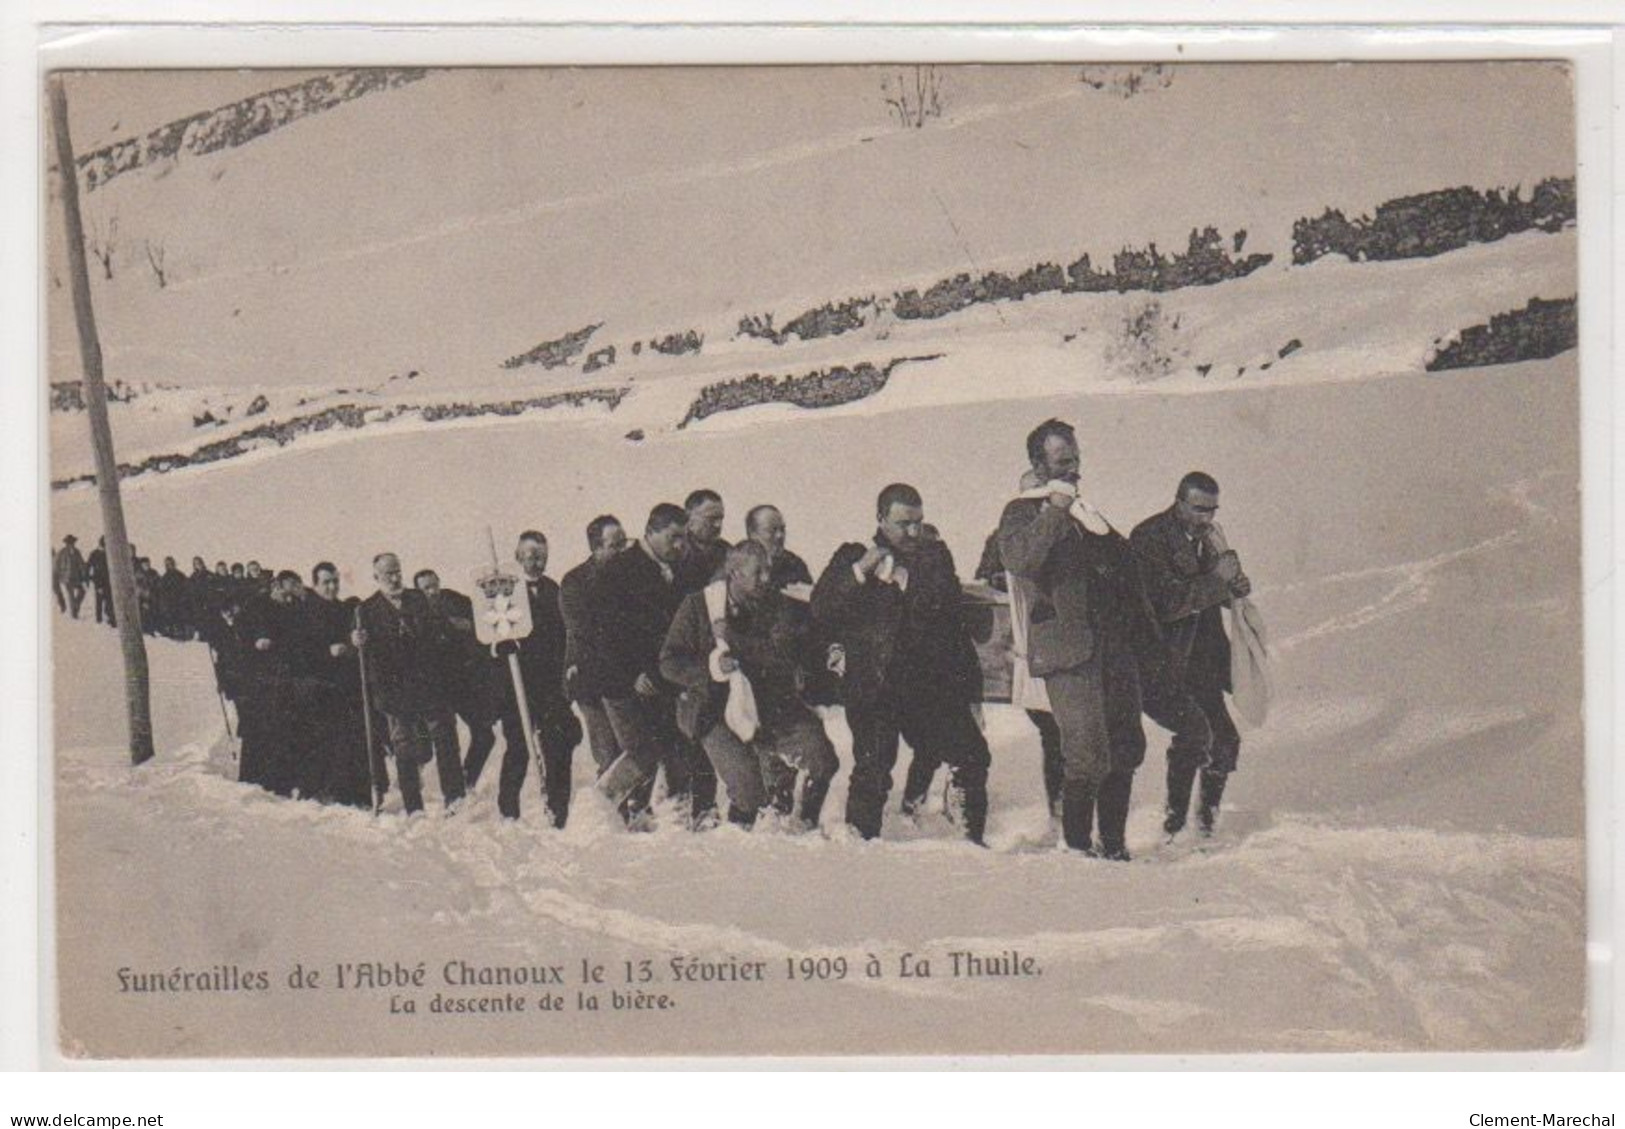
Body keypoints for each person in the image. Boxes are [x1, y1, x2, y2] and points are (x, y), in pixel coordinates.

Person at [997, 419, 1168, 860]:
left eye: (1075, 458)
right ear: (1039, 464)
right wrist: (1054, 510)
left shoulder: (1088, 512)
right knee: (1087, 756)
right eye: (1062, 461)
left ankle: (1113, 846)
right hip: (1069, 655)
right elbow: (1020, 559)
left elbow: (1125, 566)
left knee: (1126, 748)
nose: (1073, 468)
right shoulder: (1023, 511)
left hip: (1114, 649)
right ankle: (1075, 848)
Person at [811, 483, 990, 845]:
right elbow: (822, 606)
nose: (913, 532)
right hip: (875, 687)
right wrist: (860, 571)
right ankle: (861, 844)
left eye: (918, 523)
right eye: (904, 523)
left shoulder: (934, 556)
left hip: (928, 687)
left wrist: (906, 581)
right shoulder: (852, 555)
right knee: (873, 770)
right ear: (880, 519)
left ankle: (972, 843)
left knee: (971, 755)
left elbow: (948, 603)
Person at [660, 541, 838, 830]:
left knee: (822, 759)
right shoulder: (698, 605)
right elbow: (669, 661)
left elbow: (781, 655)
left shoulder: (777, 606)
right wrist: (712, 668)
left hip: (771, 704)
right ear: (734, 573)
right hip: (712, 709)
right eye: (758, 572)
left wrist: (732, 640)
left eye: (768, 570)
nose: (766, 579)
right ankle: (737, 839)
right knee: (748, 790)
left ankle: (802, 824)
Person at [1132, 472, 1250, 838]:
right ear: (1179, 502)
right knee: (1195, 734)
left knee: (1225, 741)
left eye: (1212, 510)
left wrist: (1235, 587)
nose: (1207, 519)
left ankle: (1205, 823)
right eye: (1199, 509)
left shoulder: (1210, 539)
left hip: (1203, 662)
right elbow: (1168, 603)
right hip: (1162, 664)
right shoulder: (1149, 538)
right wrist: (1218, 580)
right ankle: (1174, 822)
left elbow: (1218, 588)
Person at [592, 503, 701, 828]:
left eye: (684, 538)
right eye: (673, 537)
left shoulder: (677, 569)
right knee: (642, 752)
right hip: (624, 682)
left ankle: (653, 816)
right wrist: (632, 674)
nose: (680, 545)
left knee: (670, 747)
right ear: (651, 532)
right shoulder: (620, 569)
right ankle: (597, 810)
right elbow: (606, 631)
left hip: (661, 680)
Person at [354, 552, 467, 816]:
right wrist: (356, 640)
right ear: (376, 577)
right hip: (394, 690)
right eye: (387, 574)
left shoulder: (418, 599)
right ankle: (414, 806)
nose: (394, 578)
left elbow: (436, 632)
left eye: (397, 572)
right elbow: (361, 649)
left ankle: (455, 797)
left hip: (428, 684)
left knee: (445, 739)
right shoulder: (366, 610)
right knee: (404, 747)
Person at [485, 532, 580, 826]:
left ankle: (557, 810)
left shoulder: (556, 591)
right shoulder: (503, 593)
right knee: (518, 747)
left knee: (557, 745)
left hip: (550, 685)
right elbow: (488, 636)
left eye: (542, 555)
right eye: (530, 555)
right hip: (517, 684)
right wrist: (499, 646)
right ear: (517, 557)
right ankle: (509, 810)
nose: (536, 561)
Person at [414, 568, 500, 796]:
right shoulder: (412, 610)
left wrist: (469, 629)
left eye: (435, 585)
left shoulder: (457, 601)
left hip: (461, 681)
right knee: (430, 741)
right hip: (431, 686)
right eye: (425, 588)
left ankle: (466, 780)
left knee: (485, 733)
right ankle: (422, 780)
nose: (432, 592)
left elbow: (483, 629)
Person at [560, 515, 629, 785]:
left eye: (625, 543)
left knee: (631, 748)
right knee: (608, 752)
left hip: (621, 675)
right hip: (590, 677)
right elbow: (584, 631)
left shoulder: (628, 576)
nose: (623, 551)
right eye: (615, 545)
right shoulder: (575, 582)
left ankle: (633, 807)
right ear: (596, 547)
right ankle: (609, 811)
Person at [304, 561, 375, 809]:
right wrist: (326, 651)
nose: (332, 586)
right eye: (326, 582)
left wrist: (355, 641)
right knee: (327, 741)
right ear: (314, 584)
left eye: (335, 581)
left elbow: (354, 638)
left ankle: (356, 794)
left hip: (346, 683)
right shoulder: (305, 610)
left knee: (353, 738)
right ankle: (327, 792)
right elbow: (297, 649)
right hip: (318, 686)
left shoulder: (344, 609)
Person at [52, 535, 87, 618]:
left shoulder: (77, 552)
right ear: (66, 544)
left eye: (73, 543)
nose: (71, 544)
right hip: (67, 578)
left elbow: (81, 563)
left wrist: (84, 574)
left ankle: (76, 606)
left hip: (76, 577)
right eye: (69, 543)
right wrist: (59, 575)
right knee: (71, 595)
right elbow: (56, 565)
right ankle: (74, 614)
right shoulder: (61, 553)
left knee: (82, 592)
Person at [88, 537, 114, 626]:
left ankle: (110, 618)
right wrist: (94, 581)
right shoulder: (94, 554)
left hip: (109, 581)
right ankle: (99, 620)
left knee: (109, 600)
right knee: (99, 601)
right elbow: (89, 567)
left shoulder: (110, 553)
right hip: (99, 581)